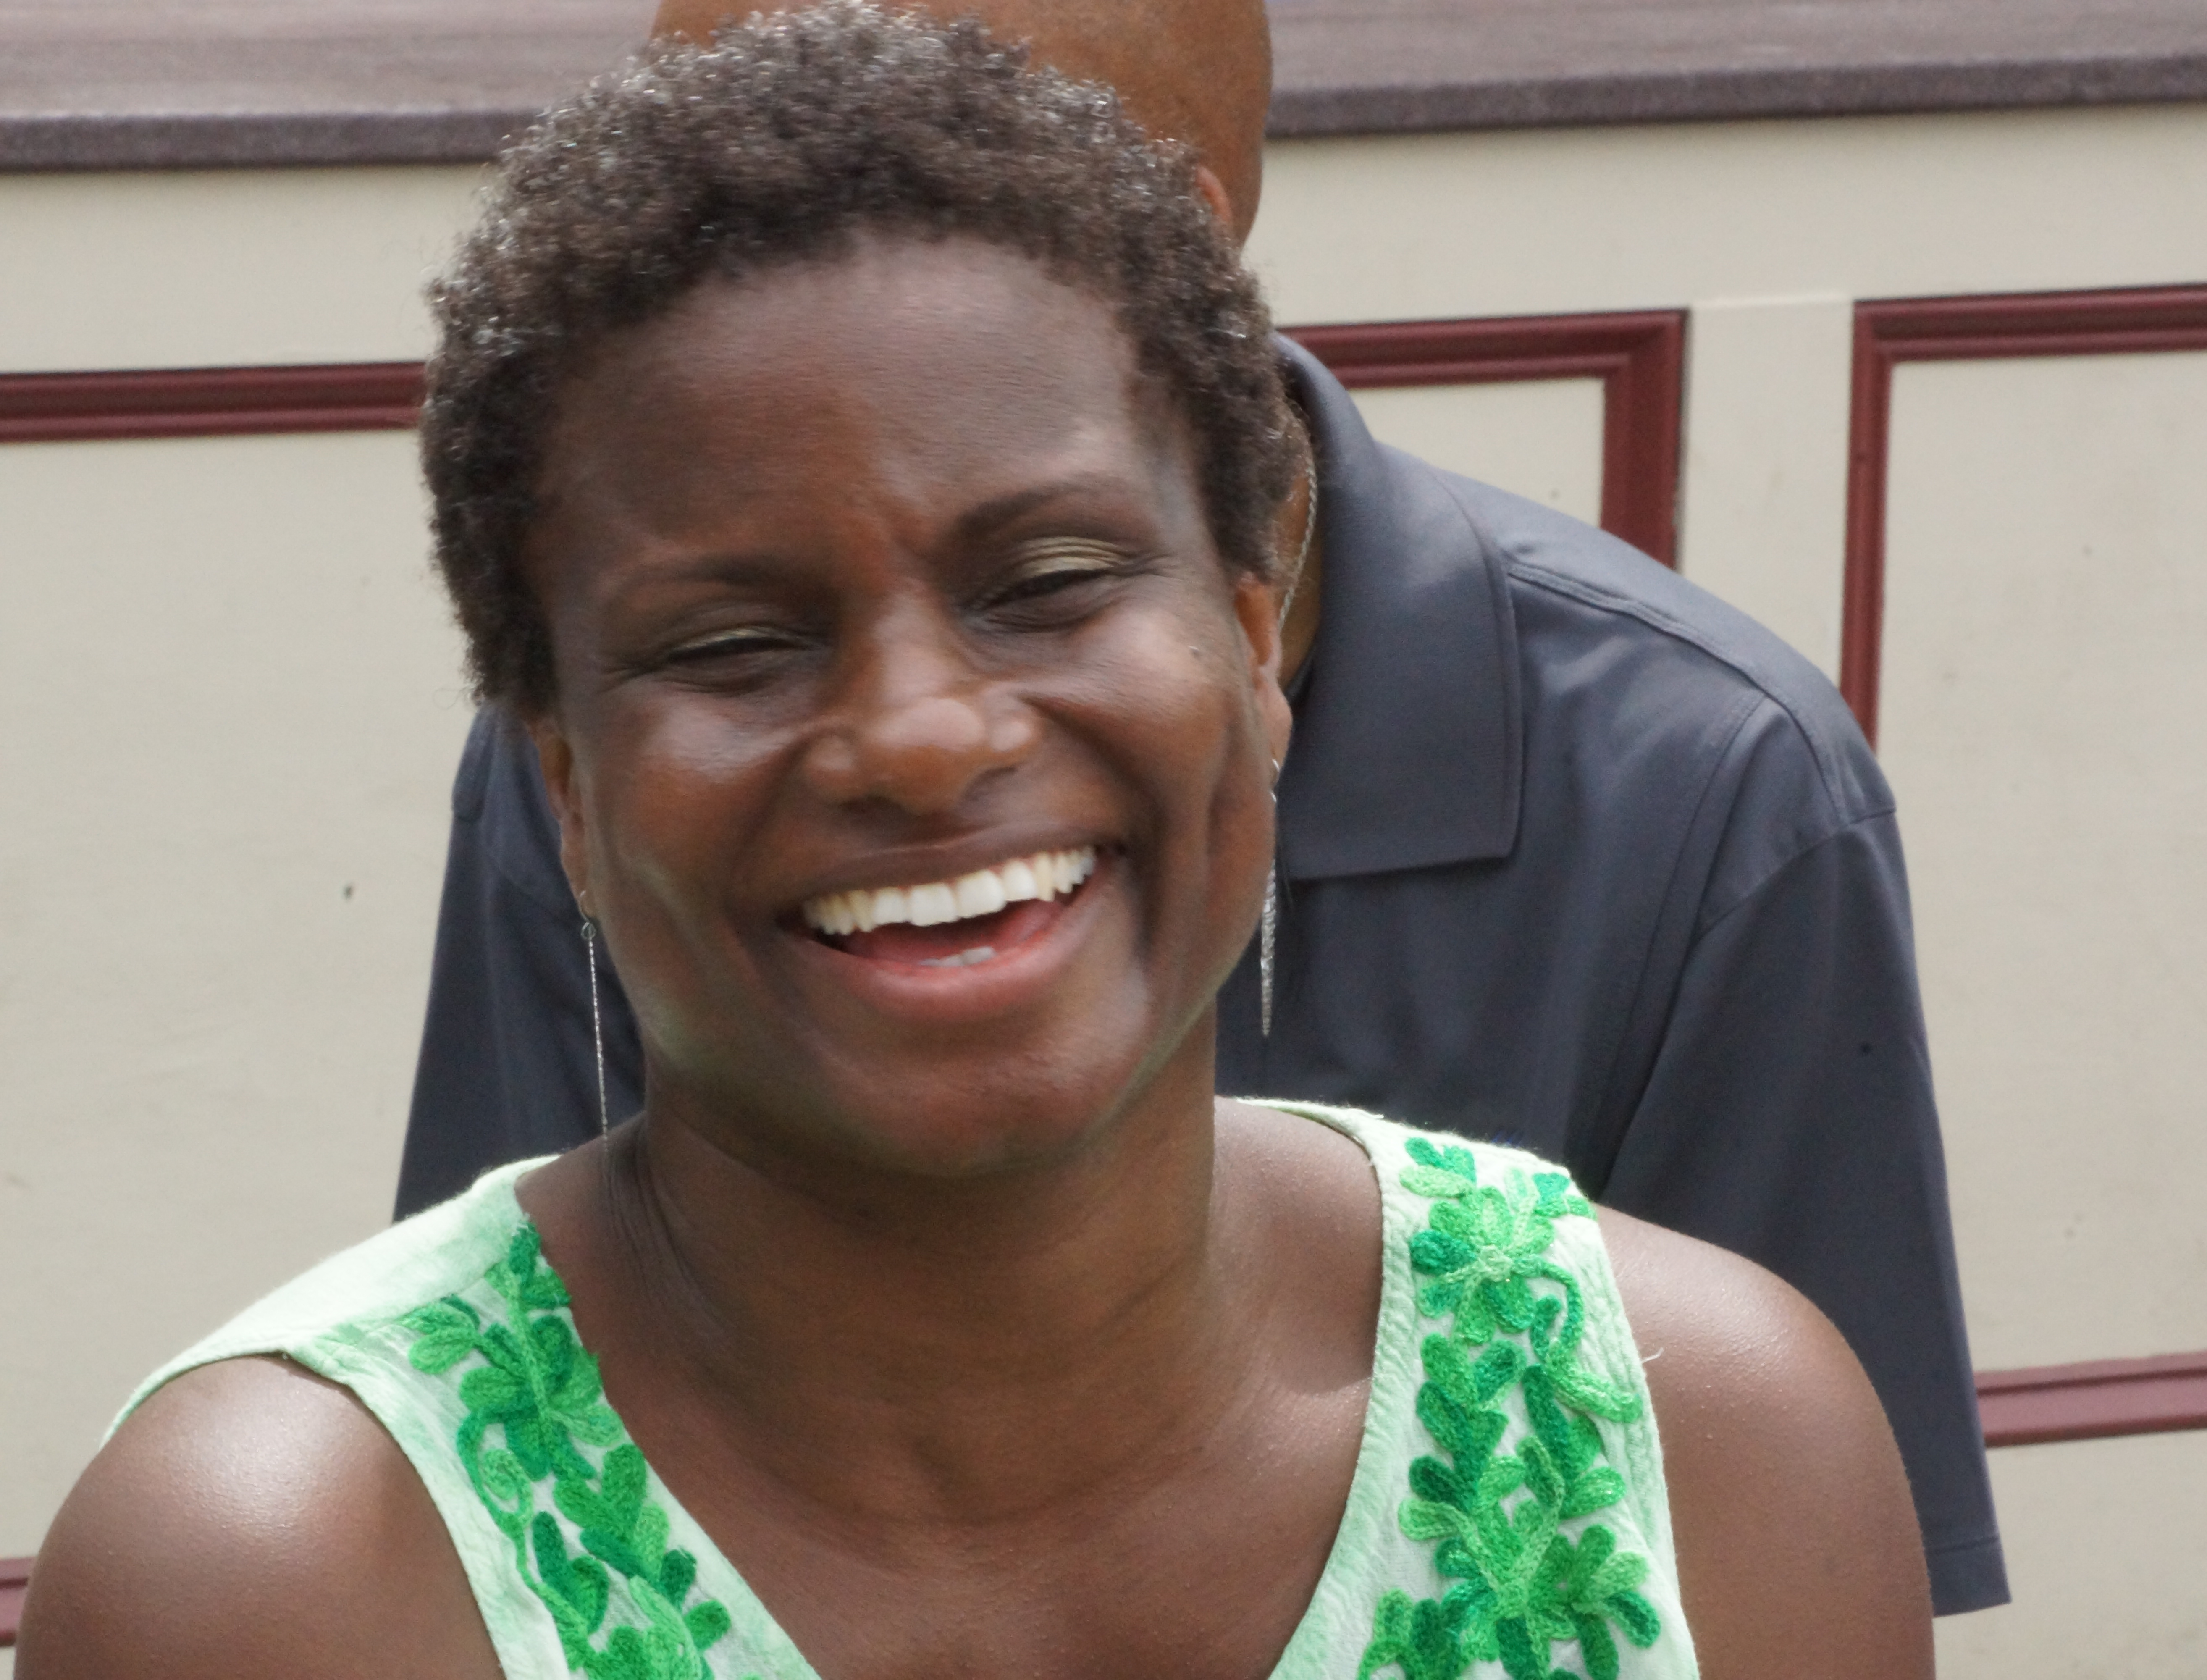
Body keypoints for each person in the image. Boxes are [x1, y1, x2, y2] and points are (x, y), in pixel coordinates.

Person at [16, 12, 1934, 1677]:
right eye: (733, 644)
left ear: (1252, 637)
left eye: (1050, 580)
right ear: (566, 790)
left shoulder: (1691, 1449)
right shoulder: (284, 1585)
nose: (925, 737)